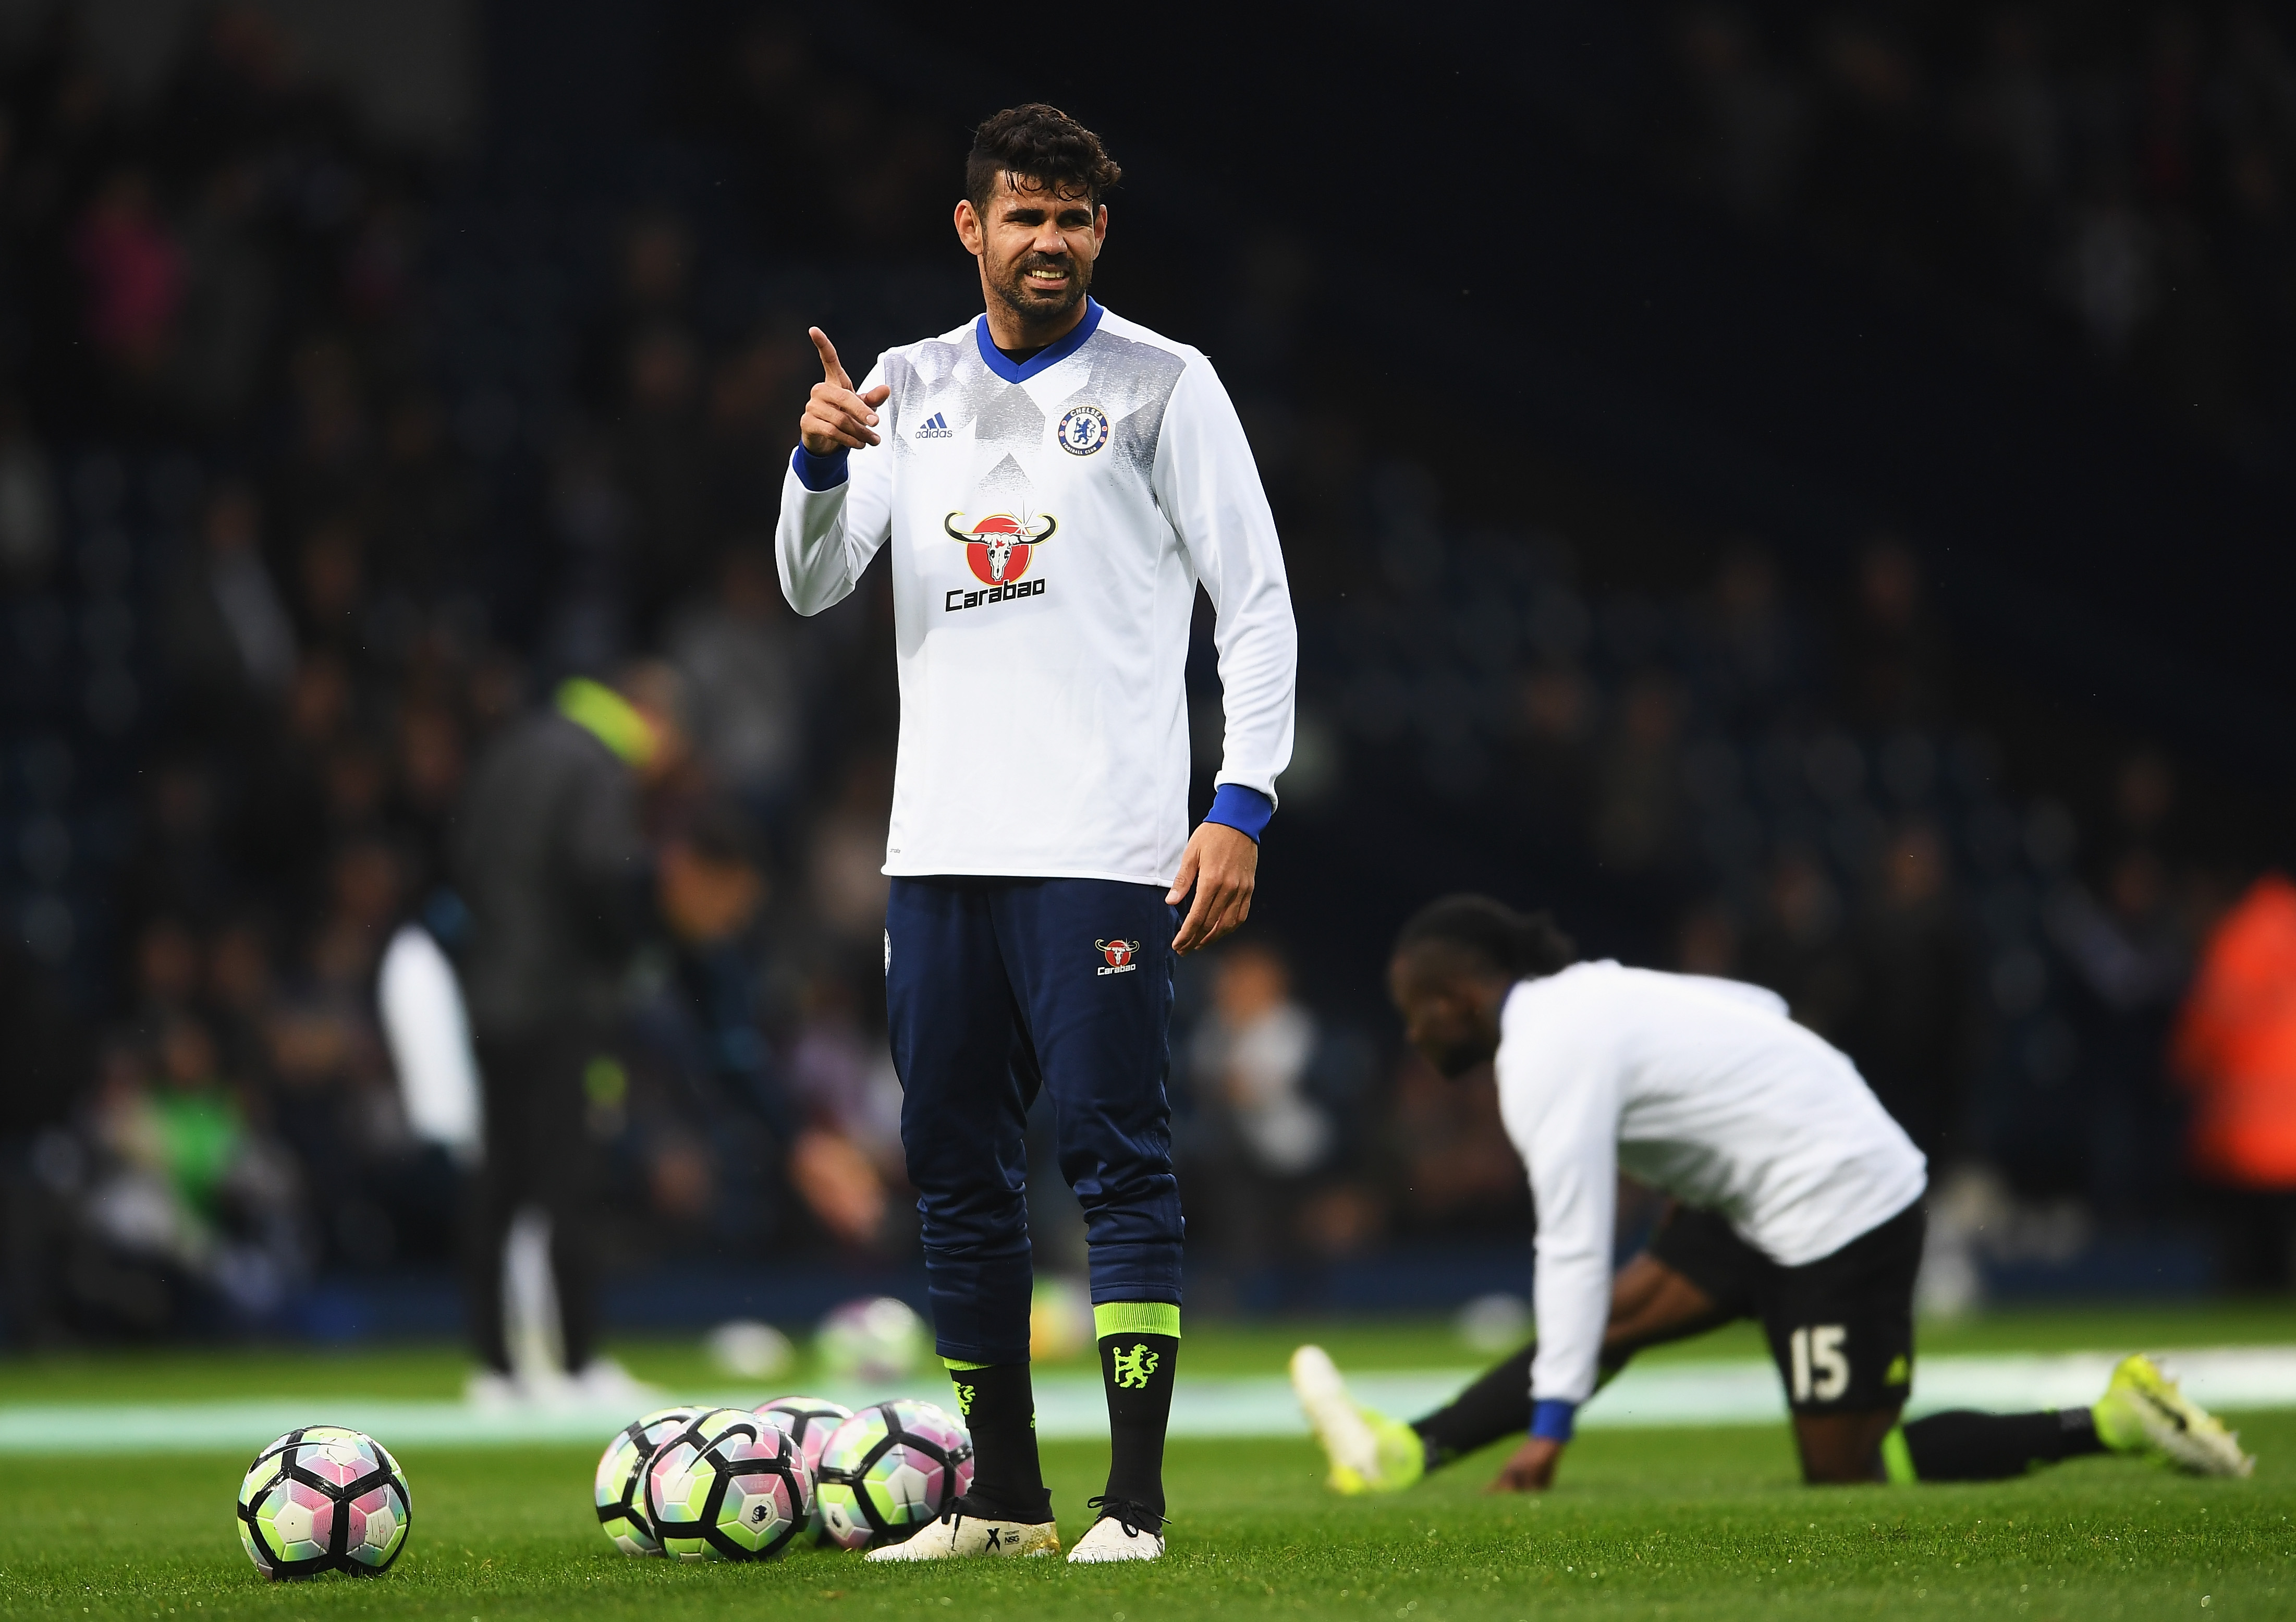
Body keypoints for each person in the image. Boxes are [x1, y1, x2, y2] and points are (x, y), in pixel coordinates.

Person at [776, 104, 1296, 1563]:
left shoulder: (1161, 386)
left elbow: (1254, 606)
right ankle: (1000, 1500)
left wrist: (1239, 802)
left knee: (1116, 1159)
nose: (1049, 239)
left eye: (1073, 217)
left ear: (1099, 234)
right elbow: (815, 584)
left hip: (1100, 846)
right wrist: (818, 465)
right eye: (1024, 213)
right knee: (952, 1166)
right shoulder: (903, 384)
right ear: (971, 229)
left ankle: (1130, 1501)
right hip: (936, 849)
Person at [1291, 895, 2253, 1495]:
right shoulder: (1588, 993)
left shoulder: (1542, 1054)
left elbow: (1574, 1248)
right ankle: (1402, 1455)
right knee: (1619, 1321)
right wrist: (1714, 1166)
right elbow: (1764, 1015)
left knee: (1850, 1473)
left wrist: (1552, 1434)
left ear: (1459, 1000)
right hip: (1757, 1193)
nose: (1414, 1040)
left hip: (1841, 1204)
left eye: (1416, 1017)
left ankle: (2114, 1419)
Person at [452, 664, 686, 1405]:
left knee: (501, 1181)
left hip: (490, 991)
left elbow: (464, 857)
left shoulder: (513, 747)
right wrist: (627, 949)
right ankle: (580, 1364)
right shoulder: (598, 763)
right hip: (561, 999)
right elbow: (601, 869)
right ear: (650, 716)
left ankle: (496, 1369)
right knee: (570, 1180)